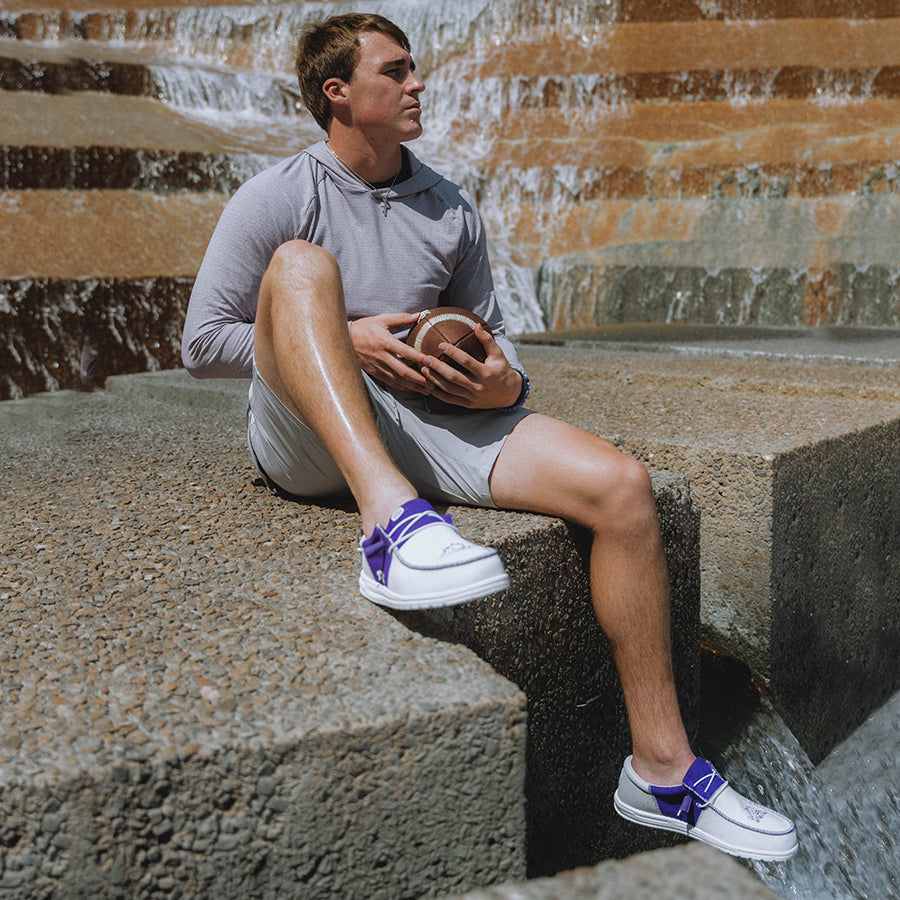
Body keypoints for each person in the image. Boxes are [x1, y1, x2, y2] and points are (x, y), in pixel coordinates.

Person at [182, 12, 797, 862]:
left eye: (414, 69)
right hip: (309, 432)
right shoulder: (281, 195)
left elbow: (497, 342)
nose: (417, 84)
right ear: (338, 93)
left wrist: (504, 384)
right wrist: (342, 340)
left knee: (624, 490)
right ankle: (391, 528)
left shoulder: (448, 206)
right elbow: (202, 343)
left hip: (431, 418)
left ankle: (664, 771)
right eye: (395, 71)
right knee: (298, 267)